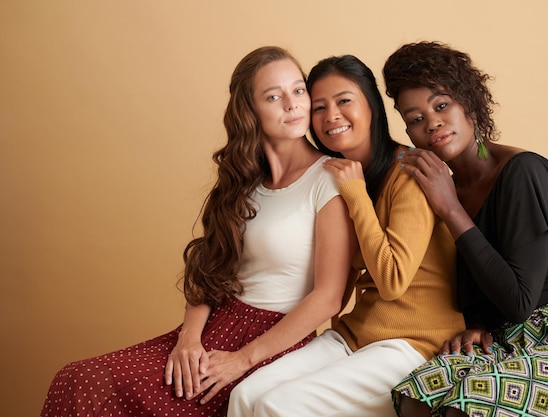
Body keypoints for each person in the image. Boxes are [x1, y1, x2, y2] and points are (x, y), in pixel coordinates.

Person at [39, 46, 357, 417]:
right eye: (274, 96)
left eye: (299, 90)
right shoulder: (241, 182)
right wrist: (187, 340)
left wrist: (241, 360)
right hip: (211, 326)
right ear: (249, 110)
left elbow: (328, 297)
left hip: (270, 343)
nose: (293, 104)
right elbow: (211, 271)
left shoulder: (331, 178)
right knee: (78, 379)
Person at [383, 40, 548, 417]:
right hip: (511, 338)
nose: (431, 122)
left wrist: (449, 208)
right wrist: (477, 324)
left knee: (469, 403)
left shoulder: (521, 171)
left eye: (441, 105)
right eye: (415, 119)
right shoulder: (442, 188)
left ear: (469, 103)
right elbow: (475, 285)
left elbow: (519, 300)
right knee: (416, 392)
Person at [227, 54, 465, 417]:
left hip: (413, 343)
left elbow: (391, 280)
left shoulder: (409, 173)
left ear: (371, 104)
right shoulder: (338, 177)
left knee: (279, 406)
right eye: (319, 107)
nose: (331, 116)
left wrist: (355, 194)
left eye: (344, 101)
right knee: (245, 396)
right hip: (355, 336)